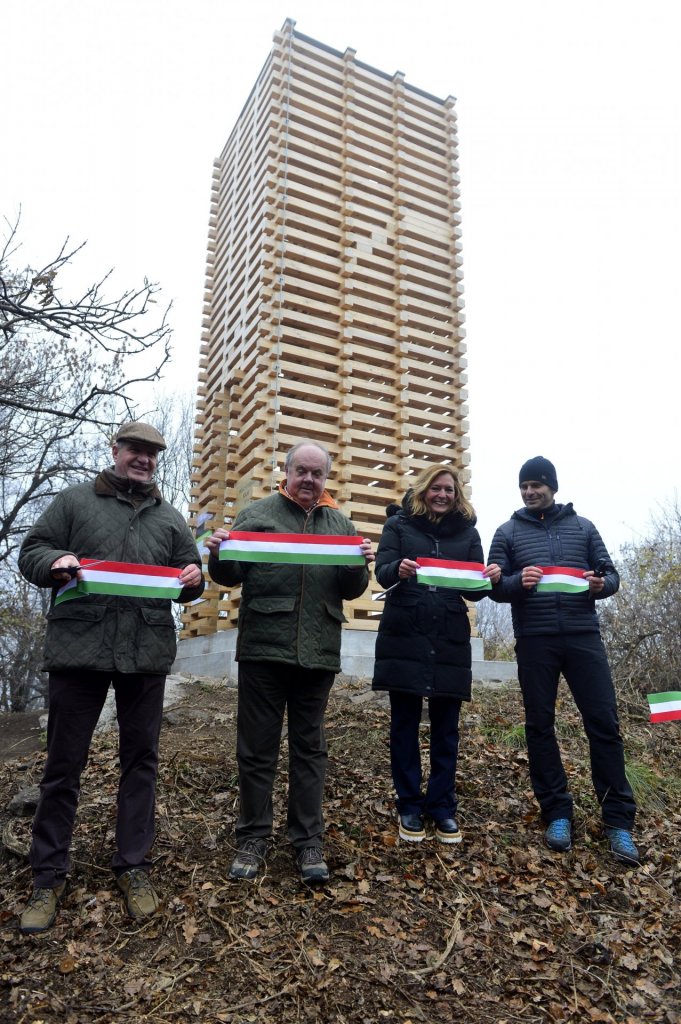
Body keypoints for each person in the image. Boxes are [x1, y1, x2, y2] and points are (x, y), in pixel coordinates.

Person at [18, 422, 205, 933]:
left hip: (145, 653)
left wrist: (193, 580)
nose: (143, 459)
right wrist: (54, 560)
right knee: (62, 766)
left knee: (140, 764)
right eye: (135, 451)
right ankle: (47, 876)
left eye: (151, 454)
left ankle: (134, 867)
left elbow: (191, 577)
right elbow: (31, 550)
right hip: (80, 649)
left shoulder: (170, 519)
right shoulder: (75, 502)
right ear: (116, 451)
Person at [206, 440, 374, 884]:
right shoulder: (257, 516)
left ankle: (307, 842)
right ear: (287, 472)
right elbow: (227, 576)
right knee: (257, 750)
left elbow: (352, 588)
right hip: (264, 649)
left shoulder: (340, 524)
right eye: (302, 471)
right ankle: (253, 837)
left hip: (318, 652)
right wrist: (218, 551)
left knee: (310, 752)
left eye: (317, 474)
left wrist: (361, 564)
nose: (309, 480)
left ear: (325, 480)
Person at [488, 456, 638, 864]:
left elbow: (611, 576)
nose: (530, 491)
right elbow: (494, 586)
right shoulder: (507, 532)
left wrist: (600, 583)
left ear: (553, 486)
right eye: (524, 486)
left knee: (604, 724)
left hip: (583, 637)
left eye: (537, 484)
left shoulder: (583, 528)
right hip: (535, 640)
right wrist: (519, 581)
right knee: (540, 726)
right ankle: (557, 813)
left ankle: (618, 822)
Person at [371, 464, 500, 844]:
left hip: (448, 634)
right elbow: (382, 572)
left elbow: (474, 592)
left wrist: (489, 577)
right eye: (436, 488)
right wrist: (400, 568)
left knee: (447, 729)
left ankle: (442, 806)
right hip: (405, 630)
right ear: (424, 490)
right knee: (404, 725)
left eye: (449, 489)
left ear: (457, 495)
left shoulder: (469, 533)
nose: (442, 495)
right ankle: (409, 804)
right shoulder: (398, 525)